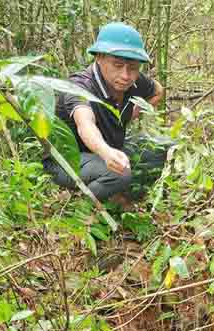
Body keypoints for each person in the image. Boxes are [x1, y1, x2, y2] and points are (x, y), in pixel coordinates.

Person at [44, 22, 167, 204]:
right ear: (99, 58)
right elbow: (85, 123)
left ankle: (122, 198)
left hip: (110, 150)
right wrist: (106, 152)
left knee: (164, 147)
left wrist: (132, 113)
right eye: (117, 65)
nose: (126, 75)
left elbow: (158, 91)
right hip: (68, 159)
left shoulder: (133, 81)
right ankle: (81, 207)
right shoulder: (80, 86)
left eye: (133, 68)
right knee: (119, 173)